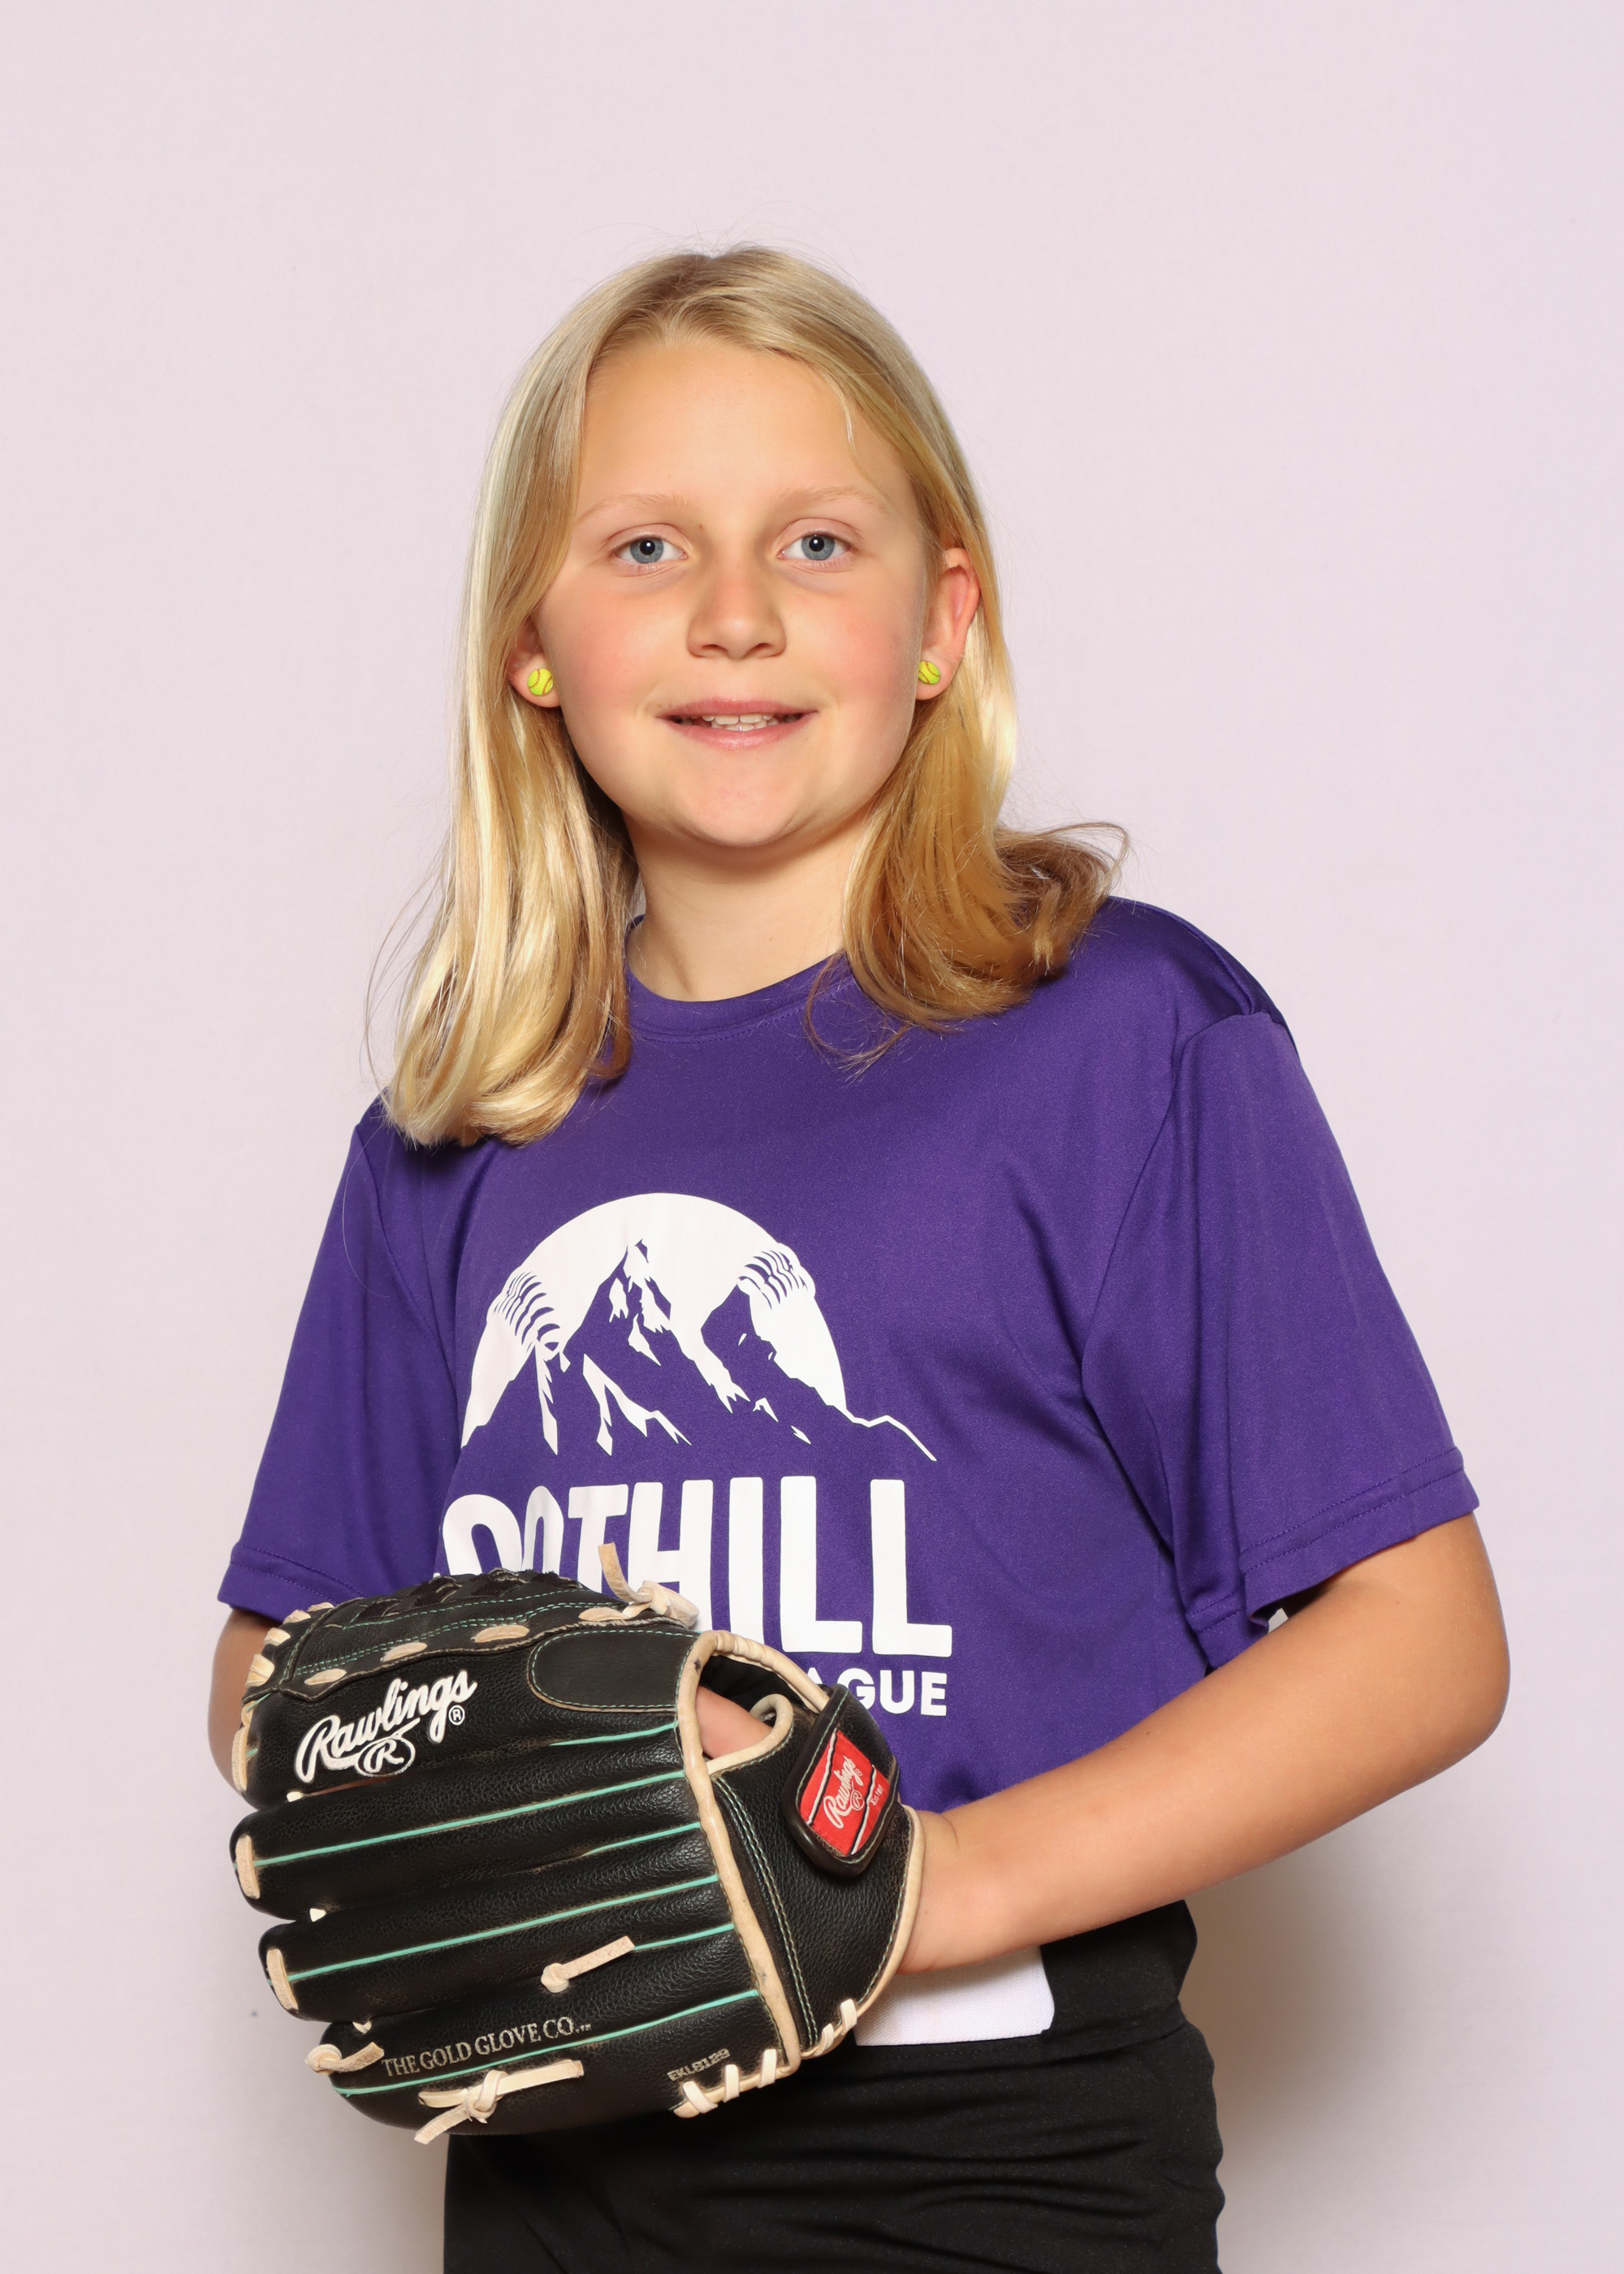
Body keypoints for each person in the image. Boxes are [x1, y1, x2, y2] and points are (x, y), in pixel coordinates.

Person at [208, 247, 1509, 2272]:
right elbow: (275, 1668)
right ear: (532, 641)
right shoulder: (458, 1127)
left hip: (1000, 2163)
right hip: (563, 2155)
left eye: (815, 541)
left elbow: (1418, 1638)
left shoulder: (1120, 1040)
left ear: (939, 623)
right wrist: (507, 1767)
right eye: (646, 545)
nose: (733, 610)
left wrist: (920, 1880)